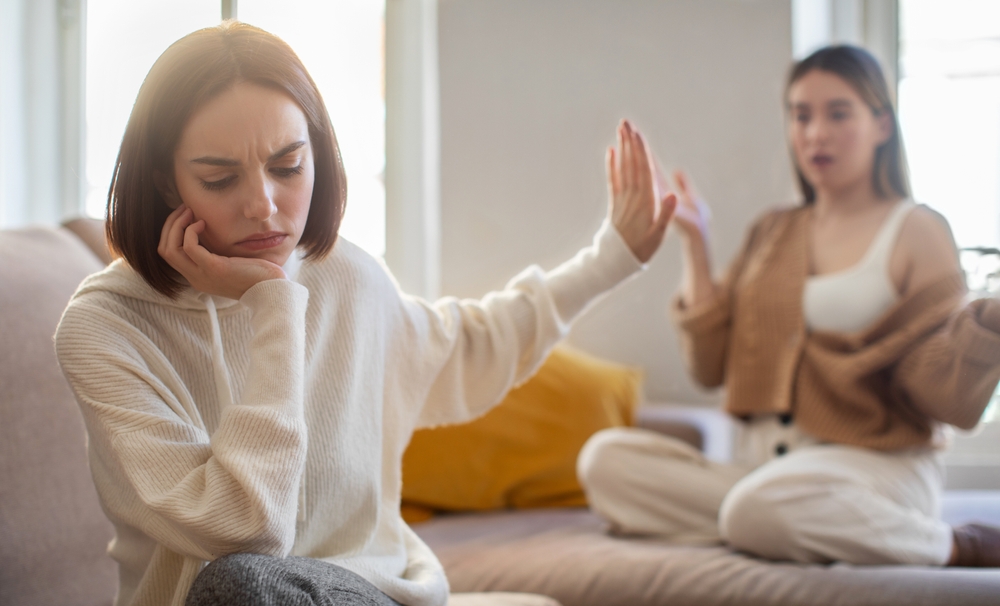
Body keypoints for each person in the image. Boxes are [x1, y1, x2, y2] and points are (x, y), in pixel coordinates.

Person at [55, 21, 676, 606]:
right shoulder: (105, 330)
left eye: (287, 166)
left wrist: (610, 260)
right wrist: (273, 307)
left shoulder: (345, 276)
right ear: (167, 184)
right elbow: (244, 530)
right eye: (219, 179)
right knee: (238, 585)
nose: (265, 206)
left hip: (370, 593)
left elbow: (472, 346)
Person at [577, 45, 1000, 568]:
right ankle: (773, 527)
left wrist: (990, 322)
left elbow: (946, 393)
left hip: (873, 467)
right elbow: (708, 368)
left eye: (837, 113)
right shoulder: (773, 230)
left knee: (761, 508)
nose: (815, 132)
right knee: (605, 461)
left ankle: (955, 545)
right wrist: (696, 243)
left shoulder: (918, 229)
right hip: (762, 472)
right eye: (801, 115)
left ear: (883, 125)